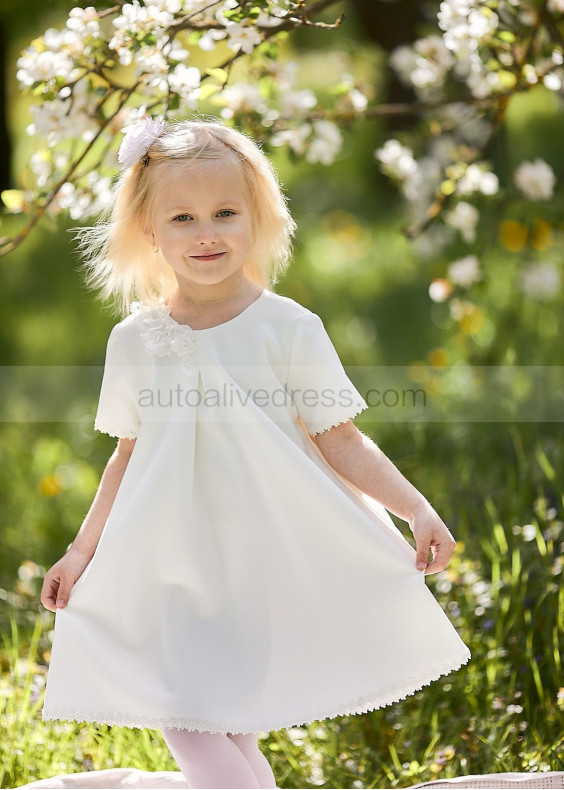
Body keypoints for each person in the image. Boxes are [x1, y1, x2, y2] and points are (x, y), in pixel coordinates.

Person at [40, 117, 470, 789]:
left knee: (225, 722)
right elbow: (127, 454)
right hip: (167, 556)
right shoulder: (134, 340)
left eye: (225, 213)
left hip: (257, 557)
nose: (206, 232)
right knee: (182, 709)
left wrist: (415, 509)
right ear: (150, 230)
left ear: (258, 218)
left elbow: (341, 439)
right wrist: (82, 550)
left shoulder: (288, 329)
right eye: (182, 217)